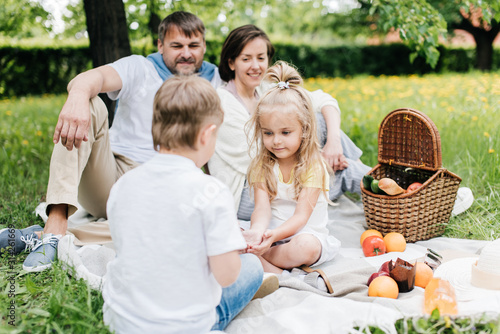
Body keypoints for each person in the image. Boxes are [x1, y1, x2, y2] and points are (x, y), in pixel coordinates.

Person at [0, 11, 223, 272]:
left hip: (163, 188)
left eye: (194, 46)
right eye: (177, 46)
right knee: (92, 103)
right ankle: (56, 222)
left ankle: (47, 239)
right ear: (161, 45)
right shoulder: (140, 67)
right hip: (112, 176)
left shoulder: (215, 79)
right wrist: (79, 95)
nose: (186, 53)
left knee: (171, 228)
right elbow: (91, 79)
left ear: (204, 46)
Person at [102, 75, 262, 333]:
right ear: (207, 135)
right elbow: (227, 275)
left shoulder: (123, 185)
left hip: (121, 320)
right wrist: (233, 246)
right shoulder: (211, 191)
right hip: (183, 325)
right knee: (252, 267)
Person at [208, 25, 371, 221]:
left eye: (261, 58)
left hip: (281, 171)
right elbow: (257, 156)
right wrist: (317, 164)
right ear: (231, 63)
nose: (256, 66)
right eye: (246, 59)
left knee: (321, 120)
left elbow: (323, 101)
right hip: (248, 191)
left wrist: (334, 141)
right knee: (345, 172)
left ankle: (377, 183)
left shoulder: (267, 88)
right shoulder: (221, 102)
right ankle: (387, 189)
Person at [243, 61, 341, 293]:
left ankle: (265, 266)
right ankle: (285, 276)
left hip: (303, 234)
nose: (276, 141)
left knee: (304, 247)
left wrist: (265, 242)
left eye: (285, 133)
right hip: (271, 234)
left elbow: (301, 217)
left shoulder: (312, 165)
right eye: (268, 133)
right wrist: (258, 232)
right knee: (229, 234)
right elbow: (262, 209)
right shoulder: (262, 163)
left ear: (304, 130)